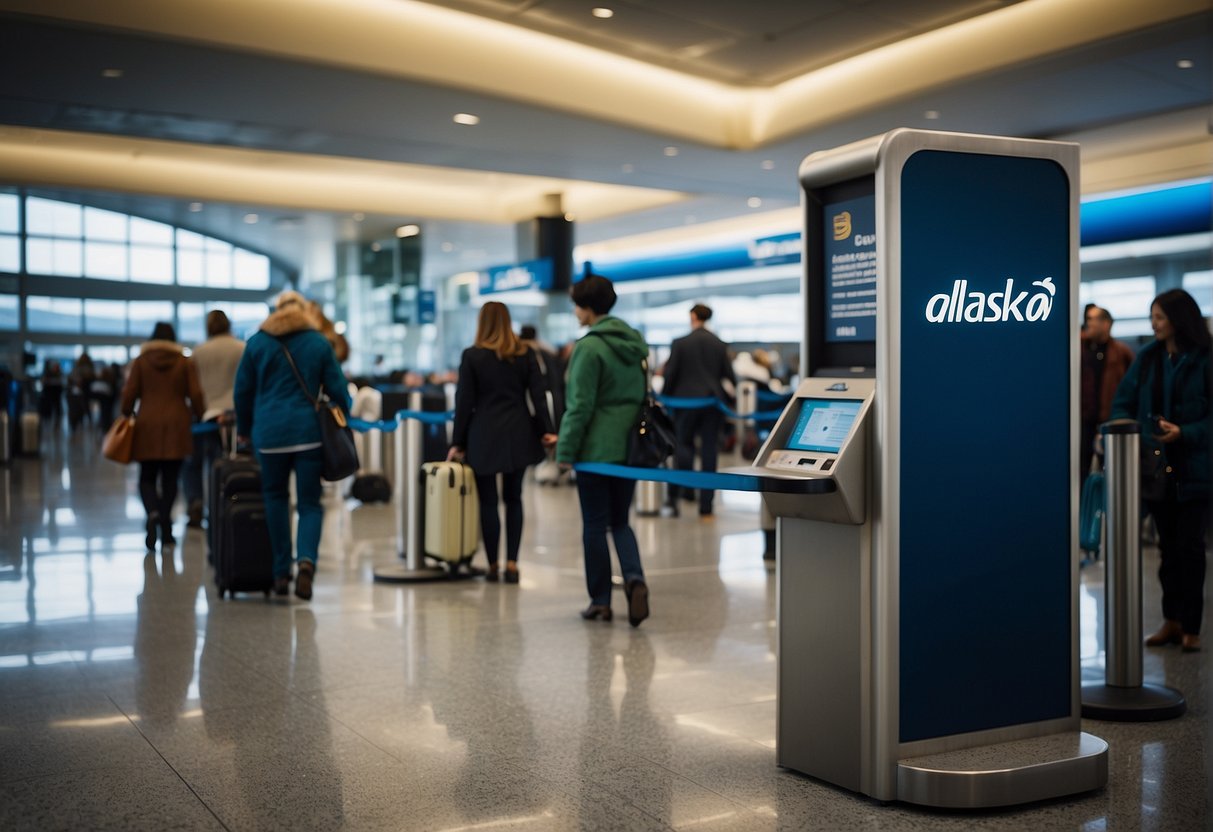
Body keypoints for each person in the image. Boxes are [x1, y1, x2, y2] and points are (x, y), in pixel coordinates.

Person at [234, 291, 352, 600]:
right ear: (302, 311)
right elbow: (338, 386)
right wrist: (344, 412)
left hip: (269, 435)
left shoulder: (257, 343)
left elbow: (242, 392)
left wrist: (244, 430)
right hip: (308, 434)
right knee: (310, 503)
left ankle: (280, 572)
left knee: (275, 499)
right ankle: (307, 563)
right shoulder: (317, 342)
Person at [1109, 288, 1209, 653]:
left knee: (1190, 548)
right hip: (1156, 468)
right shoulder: (1148, 358)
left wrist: (1187, 431)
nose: (1154, 323)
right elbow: (1123, 402)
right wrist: (1128, 429)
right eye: (1153, 316)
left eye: (1160, 317)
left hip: (1195, 468)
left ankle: (1192, 627)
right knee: (1167, 548)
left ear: (1179, 319)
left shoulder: (1205, 358)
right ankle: (1172, 620)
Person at [555, 274, 651, 626]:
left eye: (577, 304)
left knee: (594, 524)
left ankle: (600, 601)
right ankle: (635, 578)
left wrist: (565, 450)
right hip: (630, 447)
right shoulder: (635, 343)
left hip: (596, 450)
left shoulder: (589, 347)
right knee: (620, 521)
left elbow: (580, 405)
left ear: (588, 307)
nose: (575, 311)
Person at [448, 302, 557, 583]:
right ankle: (512, 564)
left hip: (483, 433)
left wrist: (457, 441)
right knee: (514, 498)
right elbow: (538, 394)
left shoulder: (472, 356)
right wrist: (547, 429)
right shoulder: (524, 353)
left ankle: (493, 565)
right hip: (519, 431)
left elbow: (464, 402)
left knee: (488, 501)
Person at [119, 322, 206, 552]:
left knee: (146, 477)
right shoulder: (183, 361)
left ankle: (153, 513)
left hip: (147, 424)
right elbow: (196, 393)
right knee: (171, 479)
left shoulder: (141, 361)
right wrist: (200, 413)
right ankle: (166, 532)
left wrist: (127, 412)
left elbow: (129, 394)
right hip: (177, 425)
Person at [661, 303, 735, 518]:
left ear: (692, 316)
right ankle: (706, 505)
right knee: (710, 450)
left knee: (683, 446)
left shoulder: (680, 343)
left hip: (684, 404)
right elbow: (729, 377)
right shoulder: (719, 344)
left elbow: (670, 375)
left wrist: (665, 399)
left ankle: (683, 494)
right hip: (712, 404)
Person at [182, 310, 246, 528]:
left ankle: (196, 500)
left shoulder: (198, 352)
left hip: (207, 415)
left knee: (195, 463)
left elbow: (193, 388)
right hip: (235, 414)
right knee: (229, 463)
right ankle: (226, 502)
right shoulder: (242, 348)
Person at [1081, 304, 1134, 482]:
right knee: (1080, 468)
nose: (1087, 323)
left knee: (1114, 472)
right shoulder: (1078, 349)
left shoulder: (1121, 353)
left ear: (1106, 324)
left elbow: (1132, 387)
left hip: (1111, 422)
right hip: (1083, 422)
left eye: (1091, 319)